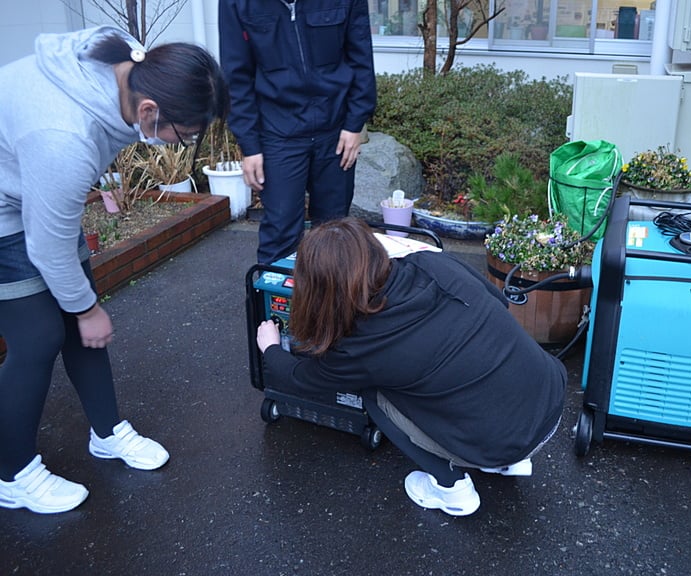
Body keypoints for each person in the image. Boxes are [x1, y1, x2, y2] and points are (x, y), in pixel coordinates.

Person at [0, 26, 229, 514]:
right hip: (4, 206)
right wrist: (86, 309)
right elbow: (46, 245)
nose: (181, 145)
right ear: (149, 111)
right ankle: (11, 472)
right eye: (182, 135)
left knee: (81, 326)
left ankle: (106, 433)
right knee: (40, 335)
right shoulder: (63, 136)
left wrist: (83, 312)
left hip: (30, 181)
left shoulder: (132, 60)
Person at [255, 218, 567, 516]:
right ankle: (501, 459)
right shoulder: (430, 263)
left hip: (504, 439)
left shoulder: (358, 347)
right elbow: (499, 302)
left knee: (370, 392)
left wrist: (270, 348)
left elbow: (301, 378)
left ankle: (452, 489)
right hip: (550, 398)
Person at [218, 0, 378, 265]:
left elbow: (361, 55)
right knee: (280, 230)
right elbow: (236, 76)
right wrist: (250, 145)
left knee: (335, 231)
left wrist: (354, 124)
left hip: (336, 131)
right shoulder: (237, 3)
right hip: (277, 132)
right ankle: (276, 304)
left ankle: (334, 305)